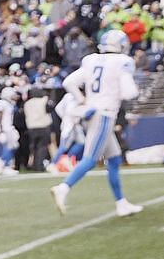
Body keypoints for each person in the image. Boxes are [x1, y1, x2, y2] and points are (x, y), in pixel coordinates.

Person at [52, 28, 142, 219]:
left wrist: (83, 100)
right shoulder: (122, 62)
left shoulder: (91, 60)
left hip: (93, 112)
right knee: (91, 158)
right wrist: (131, 91)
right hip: (104, 115)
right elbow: (128, 92)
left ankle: (121, 204)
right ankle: (63, 187)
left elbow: (68, 82)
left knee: (115, 159)